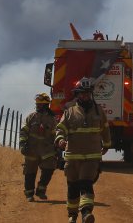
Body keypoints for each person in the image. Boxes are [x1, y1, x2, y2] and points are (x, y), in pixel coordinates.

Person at [55, 77, 112, 223]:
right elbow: (60, 128)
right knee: (72, 187)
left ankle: (86, 214)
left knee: (86, 183)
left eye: (87, 93)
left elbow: (105, 129)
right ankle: (72, 214)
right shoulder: (69, 112)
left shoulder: (99, 111)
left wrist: (106, 144)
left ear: (91, 94)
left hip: (91, 157)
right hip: (72, 157)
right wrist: (60, 140)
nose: (85, 96)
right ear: (77, 94)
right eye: (82, 93)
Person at [19, 92, 61, 202]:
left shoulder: (52, 120)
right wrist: (23, 145)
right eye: (37, 104)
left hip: (47, 150)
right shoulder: (31, 117)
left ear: (46, 105)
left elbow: (56, 134)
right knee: (30, 172)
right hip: (31, 150)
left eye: (40, 104)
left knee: (49, 169)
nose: (37, 106)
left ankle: (41, 190)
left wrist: (57, 148)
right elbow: (23, 131)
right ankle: (29, 194)